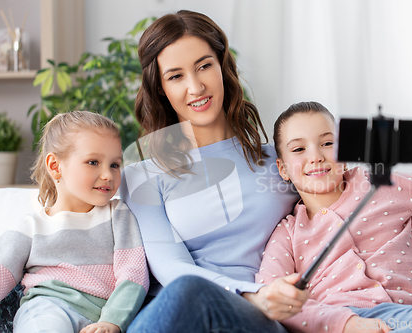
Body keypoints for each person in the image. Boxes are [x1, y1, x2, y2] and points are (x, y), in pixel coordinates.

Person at [119, 10, 306, 333]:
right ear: (161, 87)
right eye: (176, 76)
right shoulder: (141, 176)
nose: (196, 87)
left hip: (257, 320)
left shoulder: (282, 161)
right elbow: (171, 266)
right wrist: (252, 294)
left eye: (204, 66)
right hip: (180, 313)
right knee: (187, 290)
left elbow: (346, 199)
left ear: (222, 66)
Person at [256, 101, 412, 333]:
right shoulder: (288, 232)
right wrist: (345, 324)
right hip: (341, 321)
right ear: (282, 168)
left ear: (343, 152)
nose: (316, 156)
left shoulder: (380, 184)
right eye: (298, 149)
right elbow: (272, 298)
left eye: (327, 143)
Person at [0, 111, 149, 333]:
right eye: (93, 162)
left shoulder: (119, 216)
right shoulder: (30, 227)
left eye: (114, 164)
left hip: (103, 316)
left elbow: (134, 275)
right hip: (48, 308)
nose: (108, 175)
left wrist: (112, 320)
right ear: (55, 166)